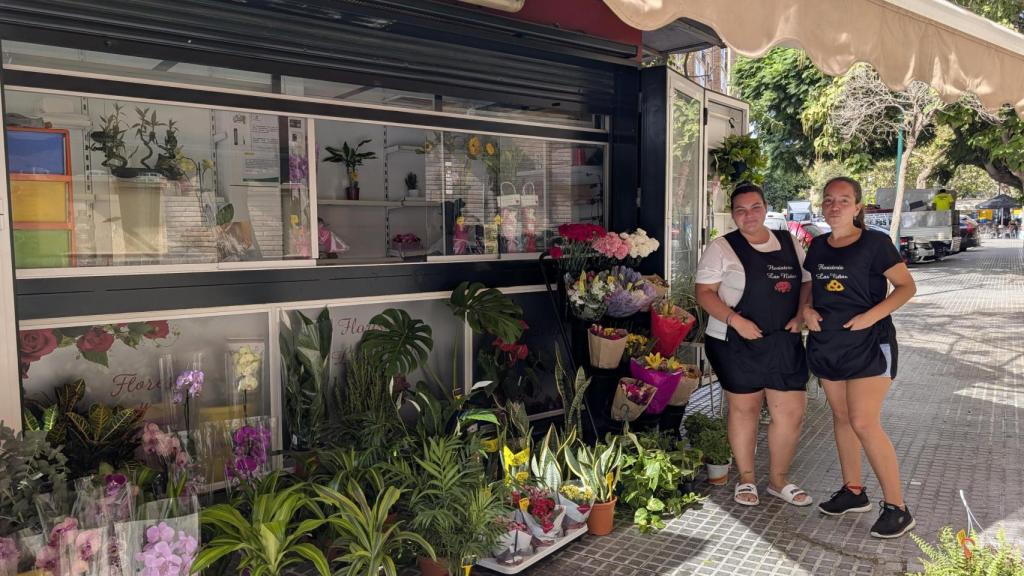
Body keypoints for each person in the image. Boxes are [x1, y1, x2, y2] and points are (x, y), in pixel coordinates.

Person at [803, 176, 917, 539]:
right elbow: (810, 287)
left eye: (843, 200)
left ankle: (898, 508)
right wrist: (806, 309)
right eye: (828, 199)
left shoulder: (875, 243)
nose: (834, 206)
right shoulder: (817, 246)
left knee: (863, 422)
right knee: (841, 418)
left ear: (857, 206)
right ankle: (853, 491)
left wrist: (870, 316)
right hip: (828, 345)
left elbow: (906, 286)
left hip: (870, 345)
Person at [696, 183, 812, 508]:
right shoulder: (722, 247)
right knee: (744, 410)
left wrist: (801, 313)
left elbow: (806, 282)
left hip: (783, 340)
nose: (749, 215)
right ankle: (746, 478)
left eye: (755, 207)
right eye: (741, 210)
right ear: (733, 214)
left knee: (791, 413)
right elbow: (703, 293)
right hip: (734, 342)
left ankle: (778, 480)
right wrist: (736, 321)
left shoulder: (789, 242)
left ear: (765, 207)